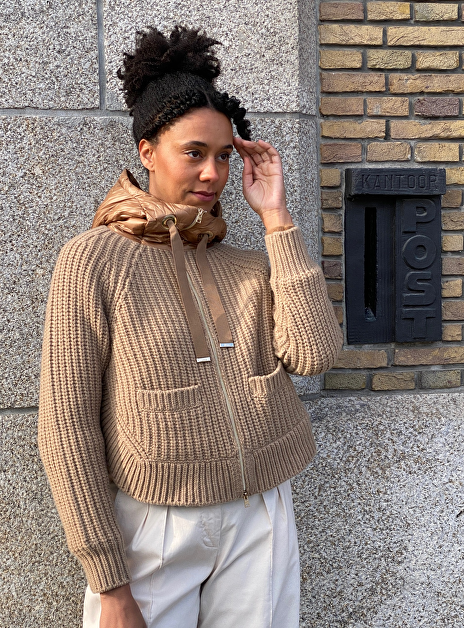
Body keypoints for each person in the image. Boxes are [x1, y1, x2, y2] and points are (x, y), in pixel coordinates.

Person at [38, 25, 342, 628]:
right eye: (194, 153)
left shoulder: (250, 265)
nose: (212, 173)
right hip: (156, 522)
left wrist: (277, 220)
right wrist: (108, 581)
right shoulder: (92, 261)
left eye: (224, 156)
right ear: (147, 151)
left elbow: (314, 354)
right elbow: (66, 427)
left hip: (261, 513)